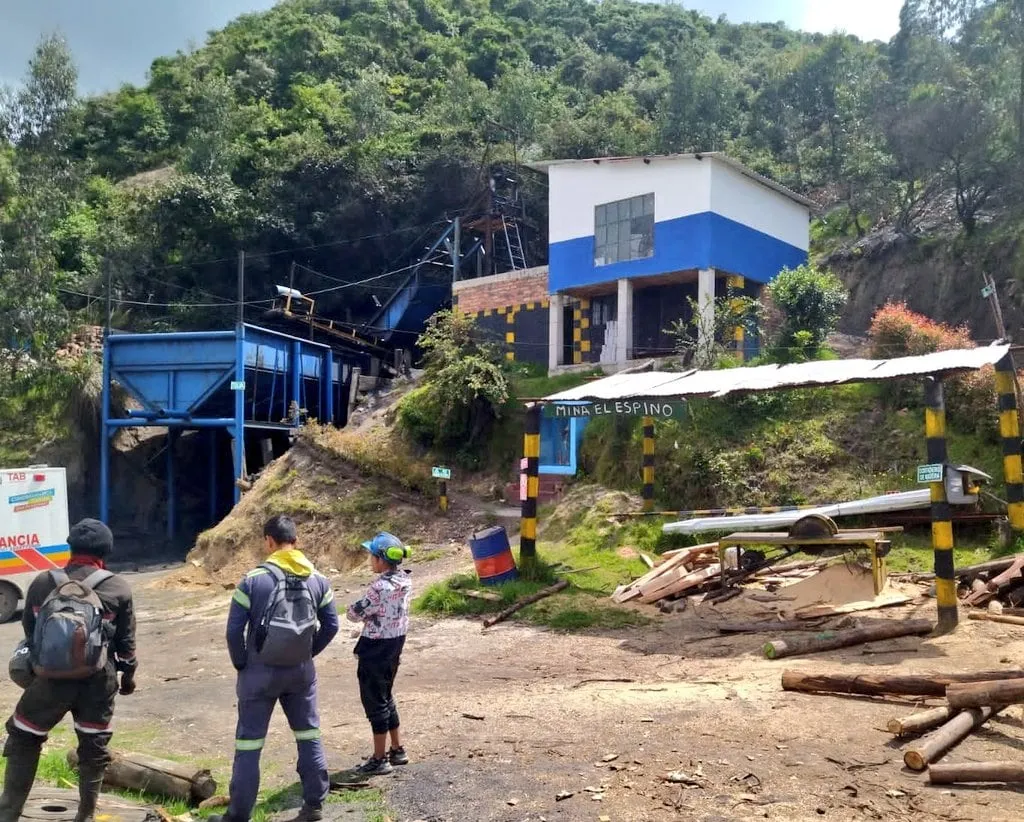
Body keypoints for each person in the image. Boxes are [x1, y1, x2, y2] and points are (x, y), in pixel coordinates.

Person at [0, 518, 137, 822]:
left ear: (70, 547)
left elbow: (31, 632)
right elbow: (127, 645)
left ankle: (8, 814)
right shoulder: (117, 587)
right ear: (107, 550)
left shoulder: (43, 582)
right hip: (97, 683)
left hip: (49, 682)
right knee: (93, 747)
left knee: (24, 738)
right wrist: (127, 678)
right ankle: (85, 816)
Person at [214, 515, 338, 822]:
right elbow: (332, 625)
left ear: (269, 541)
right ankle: (314, 806)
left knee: (249, 744)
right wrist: (308, 653)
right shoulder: (319, 580)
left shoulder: (253, 580)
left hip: (259, 674)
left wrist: (242, 662)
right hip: (300, 673)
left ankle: (238, 815)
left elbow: (233, 631)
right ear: (295, 541)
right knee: (309, 735)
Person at [346, 532, 412, 776]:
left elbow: (353, 613)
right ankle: (397, 749)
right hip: (395, 647)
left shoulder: (378, 588)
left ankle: (379, 758)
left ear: (381, 560)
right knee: (386, 697)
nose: (369, 560)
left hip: (374, 650)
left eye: (372, 555)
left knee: (375, 703)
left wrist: (358, 611)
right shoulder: (406, 582)